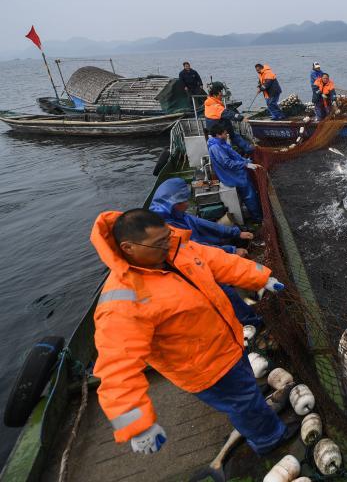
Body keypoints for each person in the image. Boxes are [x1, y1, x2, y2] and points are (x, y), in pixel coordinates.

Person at [90, 208, 290, 456]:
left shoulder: (175, 249)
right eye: (158, 243)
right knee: (243, 403)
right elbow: (117, 370)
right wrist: (137, 427)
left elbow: (219, 261)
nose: (167, 245)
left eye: (167, 237)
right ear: (129, 247)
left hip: (230, 344)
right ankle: (269, 440)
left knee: (246, 395)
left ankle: (254, 412)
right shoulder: (121, 303)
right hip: (206, 368)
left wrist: (261, 278)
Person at [148, 178, 262, 329]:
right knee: (226, 293)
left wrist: (236, 233)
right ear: (174, 204)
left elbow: (204, 225)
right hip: (188, 270)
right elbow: (196, 248)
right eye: (184, 201)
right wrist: (232, 251)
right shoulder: (165, 228)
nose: (188, 204)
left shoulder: (178, 214)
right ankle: (250, 322)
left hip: (201, 255)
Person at [207, 122, 263, 222]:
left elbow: (234, 156)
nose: (226, 135)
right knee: (250, 195)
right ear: (218, 135)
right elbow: (227, 163)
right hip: (232, 176)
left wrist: (247, 161)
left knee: (251, 192)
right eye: (224, 133)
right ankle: (258, 218)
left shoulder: (221, 143)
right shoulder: (216, 147)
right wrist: (245, 165)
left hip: (235, 172)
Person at [204, 82, 254, 155]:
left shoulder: (208, 103)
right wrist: (241, 118)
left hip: (214, 130)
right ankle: (249, 150)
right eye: (220, 95)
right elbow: (229, 114)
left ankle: (244, 151)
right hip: (220, 131)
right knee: (235, 136)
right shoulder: (215, 106)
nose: (221, 96)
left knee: (234, 136)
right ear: (215, 95)